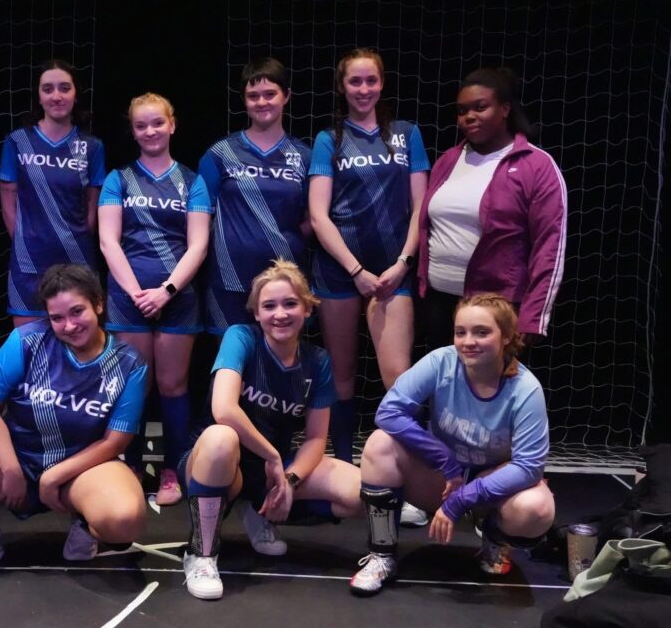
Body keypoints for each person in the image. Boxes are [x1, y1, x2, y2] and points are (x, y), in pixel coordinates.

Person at [0, 264, 148, 578]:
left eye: (77, 311)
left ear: (98, 304)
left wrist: (53, 478)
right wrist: (11, 469)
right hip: (16, 461)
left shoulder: (129, 363)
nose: (69, 325)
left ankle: (84, 524)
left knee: (124, 520)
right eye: (57, 318)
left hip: (78, 471)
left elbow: (115, 442)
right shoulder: (27, 340)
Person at [177, 260, 362, 600]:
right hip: (215, 462)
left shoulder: (317, 362)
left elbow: (316, 439)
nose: (280, 314)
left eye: (290, 303)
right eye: (269, 306)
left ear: (307, 308)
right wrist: (273, 456)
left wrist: (289, 480)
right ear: (257, 313)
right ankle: (201, 552)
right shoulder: (240, 338)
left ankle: (257, 511)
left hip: (267, 471)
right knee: (221, 438)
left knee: (359, 492)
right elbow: (224, 410)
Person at [349, 293, 555, 596]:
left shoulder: (525, 389)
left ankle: (495, 542)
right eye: (461, 332)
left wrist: (463, 499)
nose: (468, 341)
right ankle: (382, 555)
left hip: (490, 490)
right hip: (443, 480)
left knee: (536, 508)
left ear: (507, 337)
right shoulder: (441, 362)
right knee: (379, 444)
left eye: (482, 332)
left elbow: (529, 467)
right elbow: (389, 412)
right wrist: (444, 460)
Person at [308, 48, 430, 472]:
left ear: (382, 83)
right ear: (342, 87)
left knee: (398, 379)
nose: (363, 89)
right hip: (339, 273)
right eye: (355, 81)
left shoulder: (406, 134)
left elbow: (420, 208)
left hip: (393, 273)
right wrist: (355, 271)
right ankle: (344, 466)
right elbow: (318, 216)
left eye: (371, 80)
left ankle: (405, 472)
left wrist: (403, 263)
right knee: (341, 377)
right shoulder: (329, 139)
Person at [98, 92, 211, 506]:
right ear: (132, 131)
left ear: (172, 125)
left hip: (177, 299)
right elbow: (108, 241)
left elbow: (198, 245)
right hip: (127, 298)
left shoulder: (193, 181)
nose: (150, 131)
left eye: (157, 123)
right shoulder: (118, 179)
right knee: (136, 387)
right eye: (141, 125)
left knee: (172, 385)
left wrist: (166, 292)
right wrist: (135, 293)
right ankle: (133, 467)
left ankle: (171, 470)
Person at [418, 67, 567, 349]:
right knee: (443, 376)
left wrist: (534, 317)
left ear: (505, 109)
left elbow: (550, 247)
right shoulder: (448, 160)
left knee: (492, 379)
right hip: (440, 305)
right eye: (462, 111)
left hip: (497, 310)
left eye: (480, 107)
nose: (469, 116)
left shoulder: (536, 165)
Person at [198, 58, 311, 335]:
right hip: (229, 282)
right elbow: (200, 220)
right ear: (244, 100)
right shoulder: (219, 154)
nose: (262, 102)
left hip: (285, 282)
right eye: (253, 96)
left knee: (281, 356)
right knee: (231, 358)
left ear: (286, 96)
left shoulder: (304, 156)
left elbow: (312, 219)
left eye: (270, 94)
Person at [0, 59, 107, 326]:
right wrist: (26, 241)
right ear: (38, 96)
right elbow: (8, 198)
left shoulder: (92, 146)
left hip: (77, 260)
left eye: (64, 88)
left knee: (77, 340)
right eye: (48, 89)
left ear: (76, 94)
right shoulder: (17, 141)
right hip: (29, 263)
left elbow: (92, 207)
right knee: (30, 346)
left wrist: (73, 239)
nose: (56, 96)